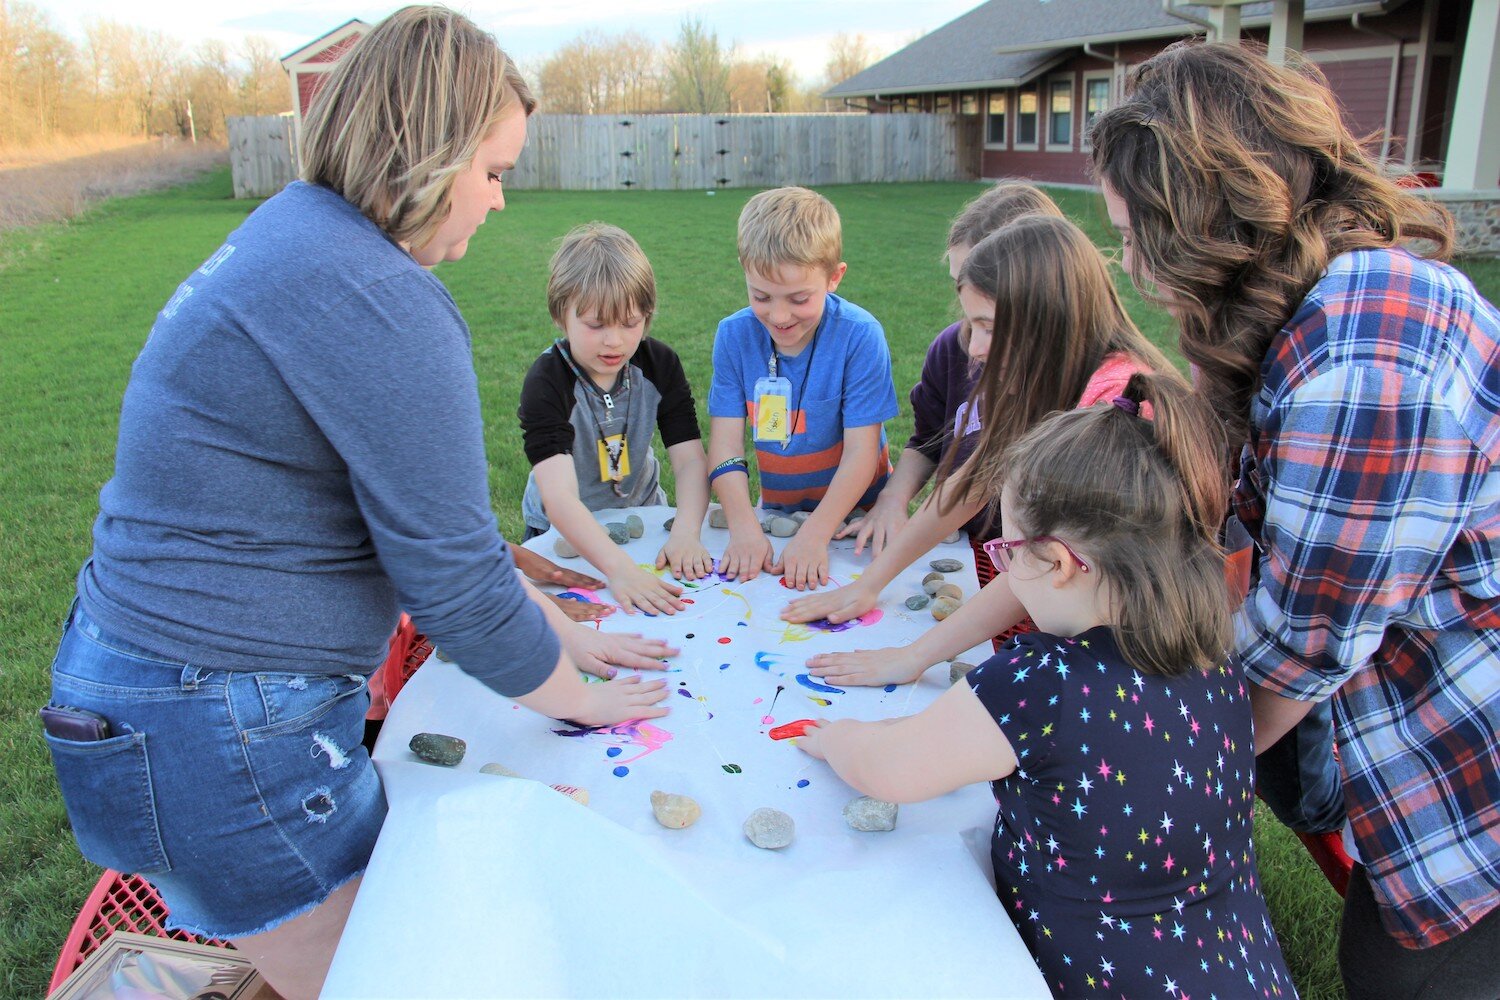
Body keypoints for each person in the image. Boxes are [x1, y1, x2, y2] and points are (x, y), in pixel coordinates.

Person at [37, 10, 670, 998]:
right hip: (216, 720)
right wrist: (580, 695)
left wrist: (565, 631)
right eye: (494, 170)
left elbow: (425, 532)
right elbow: (455, 581)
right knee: (399, 970)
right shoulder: (376, 294)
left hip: (155, 695)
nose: (501, 201)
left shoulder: (296, 238)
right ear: (430, 151)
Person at [1089, 41, 1500, 999]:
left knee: (1408, 973)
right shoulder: (1305, 299)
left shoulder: (1364, 358)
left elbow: (1300, 648)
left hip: (1465, 741)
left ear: (1197, 218)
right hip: (1399, 695)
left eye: (1132, 231)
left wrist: (1144, 778)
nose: (1131, 261)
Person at [797, 374, 1295, 998]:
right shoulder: (1210, 650)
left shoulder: (1043, 682)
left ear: (1058, 565)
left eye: (1006, 552)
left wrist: (838, 738)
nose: (1002, 569)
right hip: (1241, 972)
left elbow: (888, 772)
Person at [784, 214, 1179, 682]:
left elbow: (1039, 563)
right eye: (972, 326)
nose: (973, 348)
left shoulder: (1112, 406)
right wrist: (869, 584)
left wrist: (914, 656)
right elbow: (970, 484)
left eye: (988, 327)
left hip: (1125, 657)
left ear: (1044, 314)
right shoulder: (1037, 372)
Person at [845, 181, 1063, 577]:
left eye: (978, 282)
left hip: (1042, 570)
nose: (965, 299)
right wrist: (893, 498)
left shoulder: (1084, 387)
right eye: (957, 280)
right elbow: (928, 442)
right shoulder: (954, 347)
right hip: (969, 549)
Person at [706, 185, 899, 590]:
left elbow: (862, 453)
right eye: (761, 296)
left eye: (798, 299)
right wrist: (743, 525)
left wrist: (816, 534)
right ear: (744, 269)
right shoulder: (733, 337)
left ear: (834, 277)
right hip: (778, 512)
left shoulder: (860, 337)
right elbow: (725, 446)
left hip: (858, 519)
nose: (778, 316)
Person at [518, 222, 711, 615]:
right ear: (561, 315)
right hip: (564, 529)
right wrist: (621, 571)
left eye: (630, 323)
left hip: (643, 510)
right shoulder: (546, 382)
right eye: (596, 325)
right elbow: (559, 497)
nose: (615, 341)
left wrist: (687, 533)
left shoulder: (660, 364)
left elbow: (689, 459)